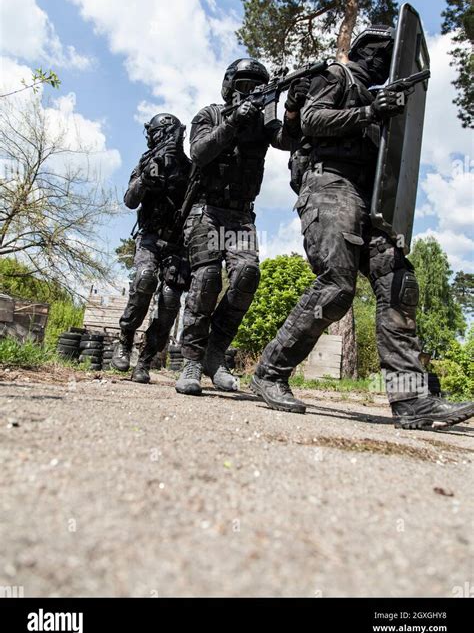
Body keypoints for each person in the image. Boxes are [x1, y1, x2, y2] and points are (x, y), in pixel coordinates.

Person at [251, 25, 474, 431]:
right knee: (336, 286)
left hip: (365, 198)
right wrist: (370, 112)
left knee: (397, 284)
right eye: (381, 55)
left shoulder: (377, 96)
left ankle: (412, 401)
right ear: (364, 50)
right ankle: (270, 371)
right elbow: (313, 120)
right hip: (328, 184)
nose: (384, 64)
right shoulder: (335, 76)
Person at [175, 58, 309, 396]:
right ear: (229, 85)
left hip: (240, 216)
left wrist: (291, 109)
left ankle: (214, 354)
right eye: (243, 84)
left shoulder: (262, 123)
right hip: (205, 209)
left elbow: (286, 140)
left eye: (255, 86)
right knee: (205, 279)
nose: (248, 91)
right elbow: (199, 152)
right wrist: (235, 120)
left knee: (247, 273)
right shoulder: (209, 115)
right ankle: (190, 359)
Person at [112, 113, 191, 384]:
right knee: (144, 280)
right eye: (161, 133)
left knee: (170, 301)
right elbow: (130, 201)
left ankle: (145, 360)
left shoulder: (190, 167)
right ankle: (125, 339)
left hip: (178, 243)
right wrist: (146, 179)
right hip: (149, 238)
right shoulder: (146, 163)